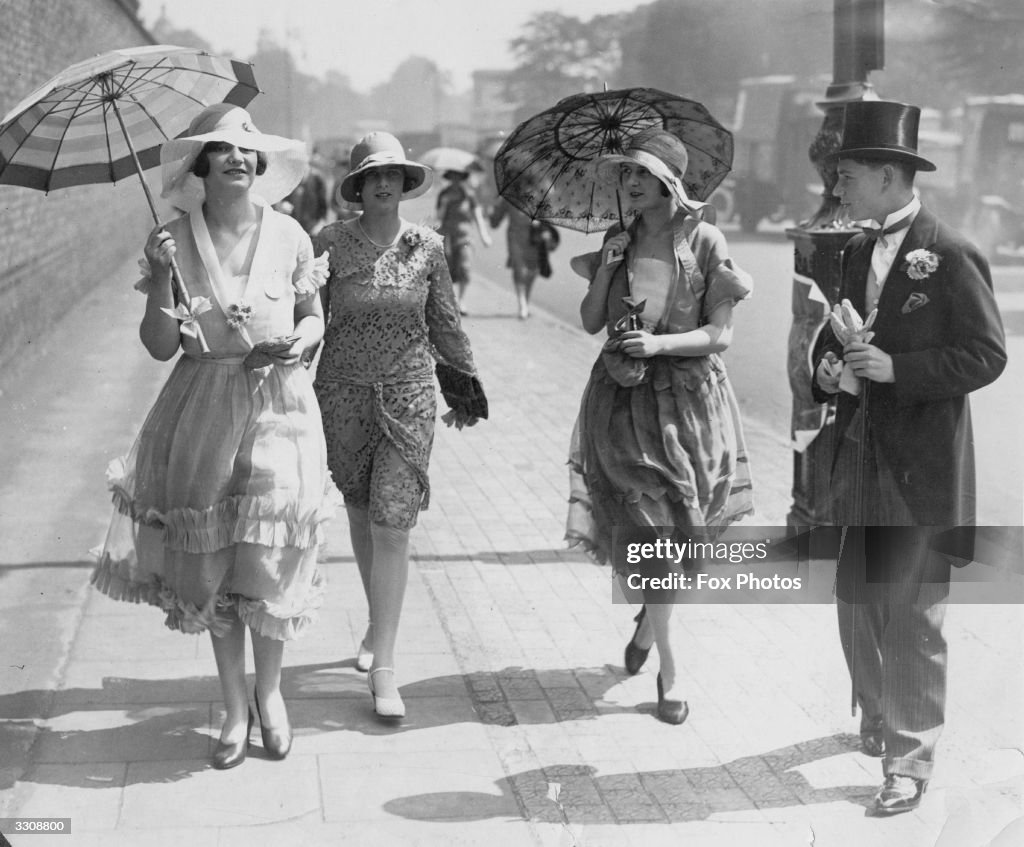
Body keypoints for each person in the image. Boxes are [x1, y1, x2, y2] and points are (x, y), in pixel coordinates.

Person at [91, 103, 331, 770]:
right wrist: (162, 277)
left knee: (270, 551)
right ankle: (232, 704)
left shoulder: (290, 236)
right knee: (217, 555)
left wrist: (300, 339)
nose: (236, 158)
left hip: (281, 403)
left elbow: (314, 315)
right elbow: (160, 346)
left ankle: (271, 693)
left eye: (247, 149)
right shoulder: (172, 238)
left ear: (259, 164)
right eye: (220, 149)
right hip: (203, 403)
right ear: (200, 166)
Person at [811, 100, 1006, 815]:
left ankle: (910, 757)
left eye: (850, 176)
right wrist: (835, 372)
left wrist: (899, 370)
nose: (838, 189)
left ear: (891, 176)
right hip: (862, 448)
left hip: (922, 461)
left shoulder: (950, 252)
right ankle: (875, 713)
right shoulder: (857, 248)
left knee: (915, 610)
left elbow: (987, 354)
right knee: (855, 597)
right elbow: (842, 339)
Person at [565, 128, 754, 724]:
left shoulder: (705, 241)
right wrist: (607, 268)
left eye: (640, 173)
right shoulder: (617, 241)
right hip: (621, 404)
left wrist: (660, 342)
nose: (630, 183)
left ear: (669, 181)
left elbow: (720, 335)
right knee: (650, 535)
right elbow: (591, 320)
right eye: (626, 175)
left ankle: (648, 626)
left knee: (681, 540)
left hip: (691, 407)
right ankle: (671, 675)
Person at [313, 132, 488, 720]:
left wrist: (464, 381)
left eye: (392, 174)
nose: (383, 183)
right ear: (358, 185)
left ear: (405, 183)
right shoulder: (330, 243)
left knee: (393, 522)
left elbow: (445, 322)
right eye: (371, 175)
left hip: (410, 396)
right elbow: (307, 316)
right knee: (362, 514)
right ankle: (374, 624)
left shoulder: (428, 246)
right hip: (342, 395)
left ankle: (385, 665)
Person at [488, 197, 560, 319]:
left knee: (533, 270)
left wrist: (543, 227)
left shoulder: (539, 195)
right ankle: (522, 304)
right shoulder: (508, 198)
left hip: (534, 238)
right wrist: (493, 211)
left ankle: (525, 301)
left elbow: (547, 219)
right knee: (519, 269)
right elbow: (495, 222)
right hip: (515, 238)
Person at [435, 167, 492, 314]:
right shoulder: (444, 194)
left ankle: (461, 301)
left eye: (458, 177)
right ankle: (450, 301)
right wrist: (445, 204)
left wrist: (484, 235)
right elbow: (439, 218)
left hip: (465, 237)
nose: (455, 180)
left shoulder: (469, 195)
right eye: (452, 177)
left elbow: (478, 216)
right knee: (448, 270)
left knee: (465, 269)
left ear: (462, 179)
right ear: (449, 178)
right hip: (447, 236)